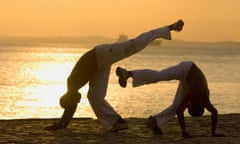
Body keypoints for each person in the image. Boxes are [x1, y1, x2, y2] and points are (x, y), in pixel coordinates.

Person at [44, 19, 184, 132]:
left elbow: (71, 107)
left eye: (72, 101)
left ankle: (169, 27)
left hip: (102, 53)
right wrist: (62, 124)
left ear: (67, 97)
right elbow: (71, 106)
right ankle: (118, 122)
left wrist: (62, 124)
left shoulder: (72, 83)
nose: (76, 102)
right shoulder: (73, 89)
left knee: (133, 45)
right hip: (99, 66)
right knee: (94, 96)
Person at [116, 61, 225, 138]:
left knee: (176, 105)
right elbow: (180, 111)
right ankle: (129, 73)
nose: (187, 106)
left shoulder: (204, 100)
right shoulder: (194, 94)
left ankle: (155, 122)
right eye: (189, 106)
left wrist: (213, 132)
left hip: (189, 81)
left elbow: (214, 112)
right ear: (193, 104)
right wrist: (184, 131)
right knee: (160, 75)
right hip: (187, 69)